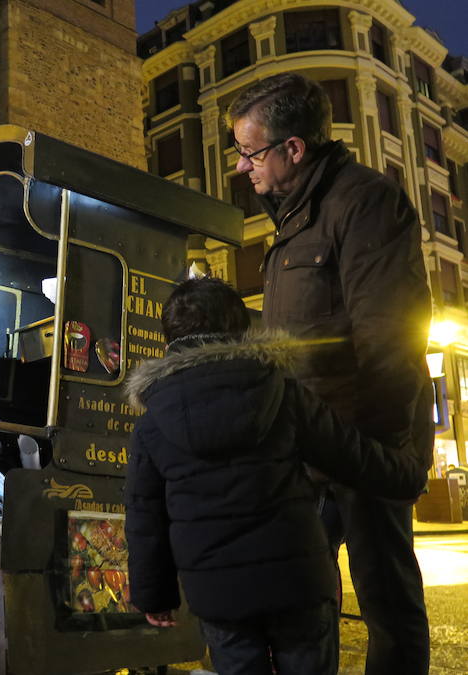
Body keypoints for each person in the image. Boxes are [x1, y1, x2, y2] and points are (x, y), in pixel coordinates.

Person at [228, 73, 434, 674]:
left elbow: (390, 334)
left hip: (363, 441)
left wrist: (378, 447)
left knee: (386, 599)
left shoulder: (363, 201)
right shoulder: (293, 214)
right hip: (308, 443)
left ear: (293, 148)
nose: (243, 168)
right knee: (300, 593)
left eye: (250, 152)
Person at [123, 277, 427, 675]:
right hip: (297, 582)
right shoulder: (282, 393)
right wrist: (409, 477)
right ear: (240, 330)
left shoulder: (152, 425)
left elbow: (145, 518)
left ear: (170, 339)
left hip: (219, 595)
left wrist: (154, 596)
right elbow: (352, 455)